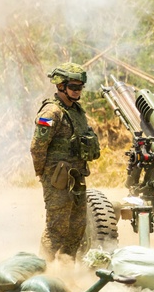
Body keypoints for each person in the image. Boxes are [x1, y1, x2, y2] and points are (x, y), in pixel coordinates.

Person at [30, 63, 101, 260]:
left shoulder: (76, 111)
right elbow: (37, 147)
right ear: (60, 86)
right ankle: (41, 271)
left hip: (76, 176)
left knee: (77, 227)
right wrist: (43, 174)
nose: (77, 91)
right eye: (73, 87)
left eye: (80, 87)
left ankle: (66, 271)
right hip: (57, 178)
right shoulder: (51, 113)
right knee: (56, 228)